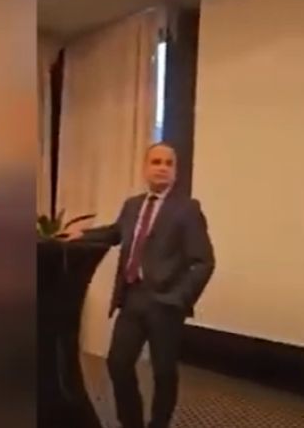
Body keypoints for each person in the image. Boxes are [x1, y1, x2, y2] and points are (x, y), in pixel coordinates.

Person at [64, 142, 215, 428]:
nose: (162, 168)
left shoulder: (187, 209)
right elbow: (115, 233)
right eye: (156, 162)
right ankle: (131, 422)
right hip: (132, 298)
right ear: (145, 168)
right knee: (117, 364)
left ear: (175, 171)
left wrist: (179, 298)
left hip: (166, 304)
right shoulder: (132, 205)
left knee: (163, 373)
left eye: (168, 163)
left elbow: (204, 262)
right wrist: (82, 235)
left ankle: (159, 424)